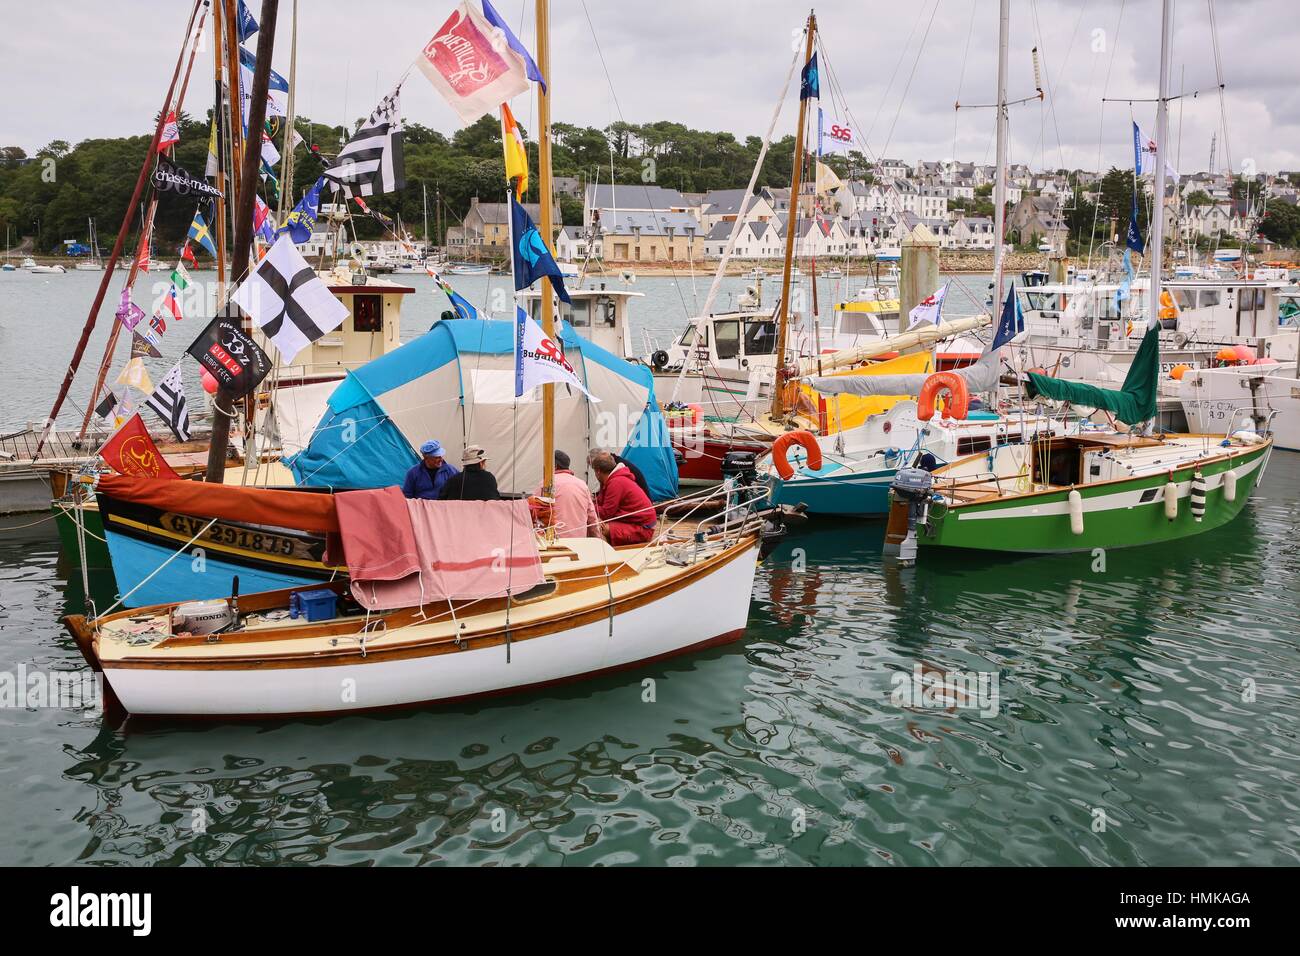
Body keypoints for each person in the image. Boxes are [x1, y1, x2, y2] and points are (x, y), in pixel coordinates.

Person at [591, 451, 656, 545]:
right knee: (600, 523)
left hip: (643, 529)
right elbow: (602, 503)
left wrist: (587, 504)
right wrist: (592, 501)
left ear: (598, 471)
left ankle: (610, 555)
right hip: (638, 523)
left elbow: (606, 513)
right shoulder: (614, 479)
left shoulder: (616, 482)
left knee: (600, 528)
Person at [535, 449, 598, 537]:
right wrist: (597, 539)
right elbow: (592, 518)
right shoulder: (582, 485)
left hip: (554, 542)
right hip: (579, 541)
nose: (544, 467)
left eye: (546, 465)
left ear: (555, 466)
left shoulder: (544, 484)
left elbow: (533, 512)